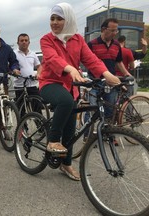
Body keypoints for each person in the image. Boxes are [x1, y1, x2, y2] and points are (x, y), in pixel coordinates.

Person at [38, 3, 120, 181]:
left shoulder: (77, 39)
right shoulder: (46, 39)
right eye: (52, 18)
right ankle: (53, 140)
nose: (55, 22)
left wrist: (107, 74)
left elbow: (91, 59)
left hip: (71, 87)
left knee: (70, 130)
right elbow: (52, 59)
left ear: (68, 20)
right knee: (66, 102)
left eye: (59, 18)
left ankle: (66, 164)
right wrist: (70, 69)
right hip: (50, 83)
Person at [87, 18, 131, 119]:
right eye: (112, 30)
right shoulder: (92, 44)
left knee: (110, 109)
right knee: (91, 110)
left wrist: (126, 74)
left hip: (110, 83)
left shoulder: (116, 45)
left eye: (116, 30)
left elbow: (119, 61)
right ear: (103, 29)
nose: (115, 33)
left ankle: (107, 133)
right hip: (95, 82)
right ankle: (87, 134)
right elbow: (88, 62)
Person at [13, 33, 42, 115]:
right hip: (19, 85)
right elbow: (9, 66)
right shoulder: (14, 54)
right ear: (18, 42)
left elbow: (39, 66)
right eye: (22, 40)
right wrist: (14, 71)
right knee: (20, 109)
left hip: (32, 84)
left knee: (37, 107)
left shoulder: (33, 54)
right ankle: (22, 127)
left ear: (29, 42)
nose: (24, 42)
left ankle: (40, 125)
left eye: (26, 40)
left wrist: (38, 74)